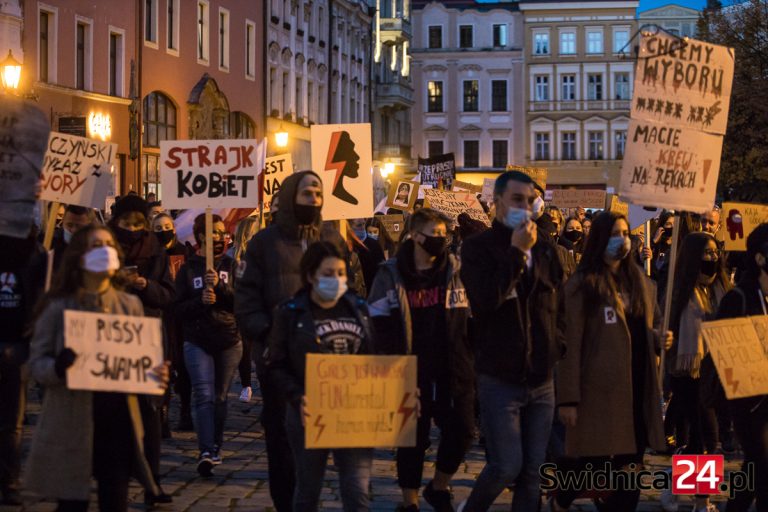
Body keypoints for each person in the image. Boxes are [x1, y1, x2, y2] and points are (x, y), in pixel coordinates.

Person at [24, 225, 169, 512]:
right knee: (72, 503)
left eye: (108, 245)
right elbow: (36, 364)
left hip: (118, 421)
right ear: (79, 256)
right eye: (95, 246)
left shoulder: (129, 305)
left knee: (115, 499)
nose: (104, 251)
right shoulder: (58, 306)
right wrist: (59, 367)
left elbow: (139, 363)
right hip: (72, 420)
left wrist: (156, 376)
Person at [235, 170, 347, 512]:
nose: (313, 198)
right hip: (278, 356)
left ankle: (308, 496)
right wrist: (268, 337)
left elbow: (349, 287)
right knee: (282, 434)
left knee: (319, 432)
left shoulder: (331, 238)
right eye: (306, 192)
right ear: (289, 197)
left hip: (326, 352)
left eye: (318, 192)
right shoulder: (264, 243)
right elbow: (247, 298)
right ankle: (286, 501)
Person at [458, 171, 565, 512]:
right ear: (498, 203)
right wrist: (517, 254)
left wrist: (556, 345)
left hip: (541, 376)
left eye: (530, 200)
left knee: (534, 470)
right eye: (517, 199)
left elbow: (557, 305)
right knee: (506, 465)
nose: (525, 206)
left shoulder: (547, 249)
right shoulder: (477, 248)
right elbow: (485, 301)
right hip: (500, 376)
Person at [551, 211, 669, 512]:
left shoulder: (640, 283)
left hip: (636, 390)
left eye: (626, 233)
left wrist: (658, 338)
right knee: (594, 466)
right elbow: (570, 344)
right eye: (616, 233)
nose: (623, 240)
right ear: (601, 239)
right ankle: (562, 499)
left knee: (628, 475)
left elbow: (641, 331)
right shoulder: (582, 285)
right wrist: (568, 399)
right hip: (598, 393)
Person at [368, 208, 474, 512]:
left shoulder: (455, 270)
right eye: (434, 234)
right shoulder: (391, 273)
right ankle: (409, 500)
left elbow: (470, 315)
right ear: (415, 235)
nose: (440, 240)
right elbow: (377, 321)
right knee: (412, 437)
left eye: (444, 234)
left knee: (463, 429)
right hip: (408, 367)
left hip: (453, 365)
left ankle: (439, 485)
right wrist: (391, 366)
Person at [268, 241, 374, 511]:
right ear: (310, 275)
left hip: (352, 412)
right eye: (328, 274)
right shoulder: (291, 312)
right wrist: (297, 396)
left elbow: (376, 357)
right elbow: (276, 364)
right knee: (307, 491)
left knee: (357, 491)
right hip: (309, 412)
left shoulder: (358, 308)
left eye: (340, 273)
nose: (336, 280)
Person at [108, 194, 174, 505]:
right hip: (110, 335)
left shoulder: (156, 251)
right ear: (115, 222)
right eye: (126, 223)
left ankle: (153, 481)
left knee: (150, 410)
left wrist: (146, 286)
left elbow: (168, 295)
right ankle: (114, 476)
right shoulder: (103, 248)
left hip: (147, 334)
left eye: (138, 223)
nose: (132, 229)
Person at [661, 232, 730, 512]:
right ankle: (703, 501)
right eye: (706, 253)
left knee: (701, 439)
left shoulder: (723, 288)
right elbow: (666, 326)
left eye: (715, 252)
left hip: (717, 373)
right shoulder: (678, 290)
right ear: (692, 256)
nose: (712, 257)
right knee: (707, 437)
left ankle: (672, 484)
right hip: (688, 374)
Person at [175, 214, 242, 476]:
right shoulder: (188, 268)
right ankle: (205, 450)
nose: (219, 236)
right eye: (214, 232)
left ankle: (216, 445)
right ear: (201, 235)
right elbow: (177, 308)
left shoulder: (230, 264)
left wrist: (221, 290)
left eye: (221, 232)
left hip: (227, 338)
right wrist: (200, 301)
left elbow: (240, 302)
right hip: (197, 339)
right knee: (203, 394)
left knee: (220, 396)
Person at [713, 223, 768, 512]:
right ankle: (697, 497)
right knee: (701, 442)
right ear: (760, 258)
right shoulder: (739, 298)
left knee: (755, 470)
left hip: (764, 399)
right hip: (747, 403)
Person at [0, 230, 46, 506]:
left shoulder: (32, 252)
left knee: (12, 421)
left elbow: (44, 290)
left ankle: (9, 479)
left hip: (17, 343)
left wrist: (35, 318)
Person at [152, 212, 193, 430]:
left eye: (166, 226)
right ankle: (163, 413)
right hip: (161, 315)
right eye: (157, 228)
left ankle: (185, 410)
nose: (163, 231)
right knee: (163, 363)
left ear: (174, 228)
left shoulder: (184, 252)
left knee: (184, 365)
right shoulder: (151, 255)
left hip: (182, 315)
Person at [230, 216, 260, 403]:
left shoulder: (262, 252)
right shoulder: (233, 256)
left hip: (259, 305)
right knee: (246, 349)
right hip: (242, 306)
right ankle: (246, 385)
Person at [49, 205, 95, 271]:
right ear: (63, 221)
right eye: (69, 225)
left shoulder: (95, 247)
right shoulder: (50, 243)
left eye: (79, 226)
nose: (74, 230)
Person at [350, 218, 385, 294]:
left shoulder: (374, 245)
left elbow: (381, 270)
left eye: (363, 224)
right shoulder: (348, 246)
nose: (362, 227)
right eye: (359, 225)